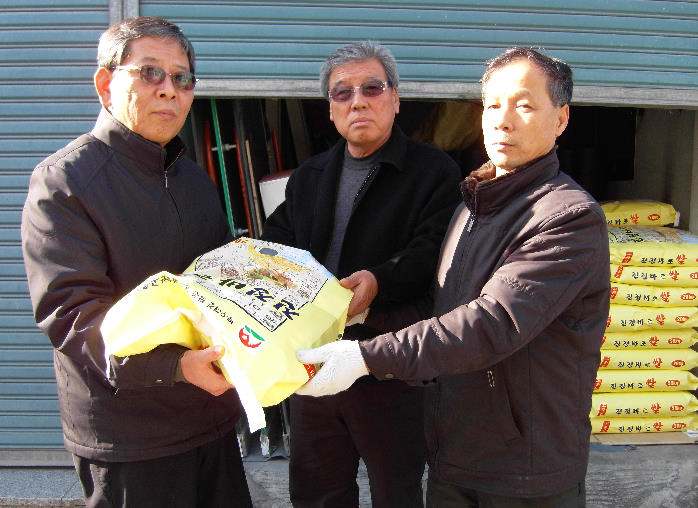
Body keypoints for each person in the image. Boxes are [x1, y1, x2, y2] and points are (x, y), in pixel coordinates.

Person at [295, 47, 611, 507]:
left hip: (523, 470)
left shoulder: (568, 218)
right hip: (455, 455)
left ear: (561, 118)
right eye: (492, 105)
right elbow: (441, 307)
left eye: (524, 105)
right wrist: (359, 319)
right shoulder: (473, 206)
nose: (503, 121)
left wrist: (364, 357)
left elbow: (492, 323)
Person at [21, 16, 252, 507]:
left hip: (211, 420)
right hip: (131, 437)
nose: (169, 89)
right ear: (106, 84)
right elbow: (72, 317)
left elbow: (219, 286)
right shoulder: (65, 183)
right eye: (150, 72)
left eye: (182, 78)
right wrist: (176, 367)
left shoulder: (193, 179)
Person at [262, 41, 462, 507]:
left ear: (395, 98)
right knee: (317, 491)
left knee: (397, 492)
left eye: (372, 88)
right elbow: (277, 245)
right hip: (313, 365)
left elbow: (436, 252)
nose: (358, 101)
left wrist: (379, 281)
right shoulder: (311, 176)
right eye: (342, 92)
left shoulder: (433, 171)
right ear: (331, 109)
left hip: (388, 364)